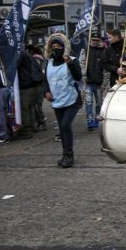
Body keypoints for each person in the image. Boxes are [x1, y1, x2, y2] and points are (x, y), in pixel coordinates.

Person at [43, 34, 83, 168]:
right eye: (53, 47)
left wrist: (70, 64)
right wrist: (46, 91)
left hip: (71, 99)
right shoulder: (48, 62)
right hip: (56, 100)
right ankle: (64, 155)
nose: (56, 49)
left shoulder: (72, 60)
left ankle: (69, 155)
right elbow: (45, 80)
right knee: (61, 128)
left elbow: (78, 77)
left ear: (64, 47)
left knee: (66, 125)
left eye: (59, 46)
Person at [16, 47, 45, 139]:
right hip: (33, 85)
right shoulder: (28, 55)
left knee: (25, 109)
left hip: (25, 85)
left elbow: (15, 66)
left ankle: (26, 130)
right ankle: (32, 127)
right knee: (31, 108)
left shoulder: (20, 54)